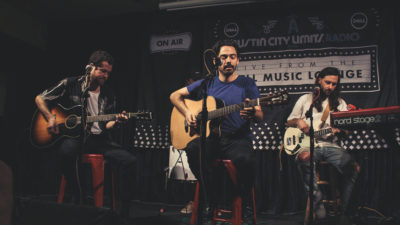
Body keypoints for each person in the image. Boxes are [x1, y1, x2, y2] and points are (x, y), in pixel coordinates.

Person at [34, 50, 136, 219]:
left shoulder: (109, 93)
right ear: (91, 67)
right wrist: (50, 117)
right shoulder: (71, 83)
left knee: (130, 161)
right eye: (102, 71)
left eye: (109, 73)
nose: (106, 76)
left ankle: (124, 212)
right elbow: (40, 98)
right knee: (66, 152)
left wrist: (117, 121)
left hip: (99, 139)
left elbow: (106, 124)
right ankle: (78, 198)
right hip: (74, 136)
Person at [169, 39, 263, 219]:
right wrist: (188, 113)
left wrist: (253, 113)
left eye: (233, 57)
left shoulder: (247, 84)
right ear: (215, 61)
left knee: (246, 160)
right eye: (224, 57)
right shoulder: (207, 83)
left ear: (238, 60)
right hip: (212, 138)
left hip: (237, 139)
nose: (228, 61)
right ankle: (211, 197)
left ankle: (244, 203)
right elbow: (174, 96)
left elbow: (259, 115)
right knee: (193, 149)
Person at [286, 67, 359, 222]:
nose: (330, 87)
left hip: (330, 145)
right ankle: (317, 201)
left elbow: (346, 131)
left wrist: (342, 131)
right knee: (304, 158)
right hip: (307, 144)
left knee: (354, 168)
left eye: (334, 84)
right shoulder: (305, 99)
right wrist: (298, 121)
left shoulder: (340, 103)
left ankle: (344, 212)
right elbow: (289, 121)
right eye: (327, 83)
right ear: (319, 80)